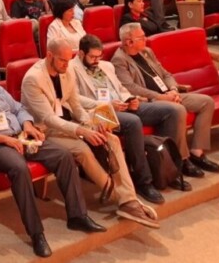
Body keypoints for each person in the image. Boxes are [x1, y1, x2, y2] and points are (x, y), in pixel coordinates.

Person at [0, 59, 107, 257]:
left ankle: (77, 215)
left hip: (22, 137)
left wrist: (27, 125)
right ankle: (36, 233)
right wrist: (5, 140)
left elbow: (18, 109)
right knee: (20, 168)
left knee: (63, 155)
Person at [20, 39, 158, 228]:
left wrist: (90, 125)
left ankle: (128, 200)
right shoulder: (33, 79)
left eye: (69, 61)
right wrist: (82, 131)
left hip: (70, 122)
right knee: (82, 148)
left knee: (112, 139)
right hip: (46, 131)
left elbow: (75, 104)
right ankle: (120, 197)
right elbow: (48, 119)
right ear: (49, 55)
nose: (67, 65)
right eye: (62, 61)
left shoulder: (66, 70)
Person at [70, 34, 186, 201]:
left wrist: (130, 100)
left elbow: (121, 88)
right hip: (99, 112)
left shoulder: (106, 66)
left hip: (121, 106)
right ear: (81, 53)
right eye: (92, 57)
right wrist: (110, 104)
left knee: (172, 111)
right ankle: (143, 181)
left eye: (99, 56)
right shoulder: (71, 69)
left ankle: (165, 169)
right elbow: (74, 98)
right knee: (133, 122)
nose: (97, 60)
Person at [112, 23, 219, 178]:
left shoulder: (147, 52)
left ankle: (197, 152)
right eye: (141, 37)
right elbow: (132, 88)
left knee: (206, 102)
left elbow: (166, 74)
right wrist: (162, 97)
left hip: (168, 94)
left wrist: (173, 90)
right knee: (179, 110)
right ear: (129, 42)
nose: (146, 39)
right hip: (150, 101)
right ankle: (183, 160)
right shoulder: (119, 60)